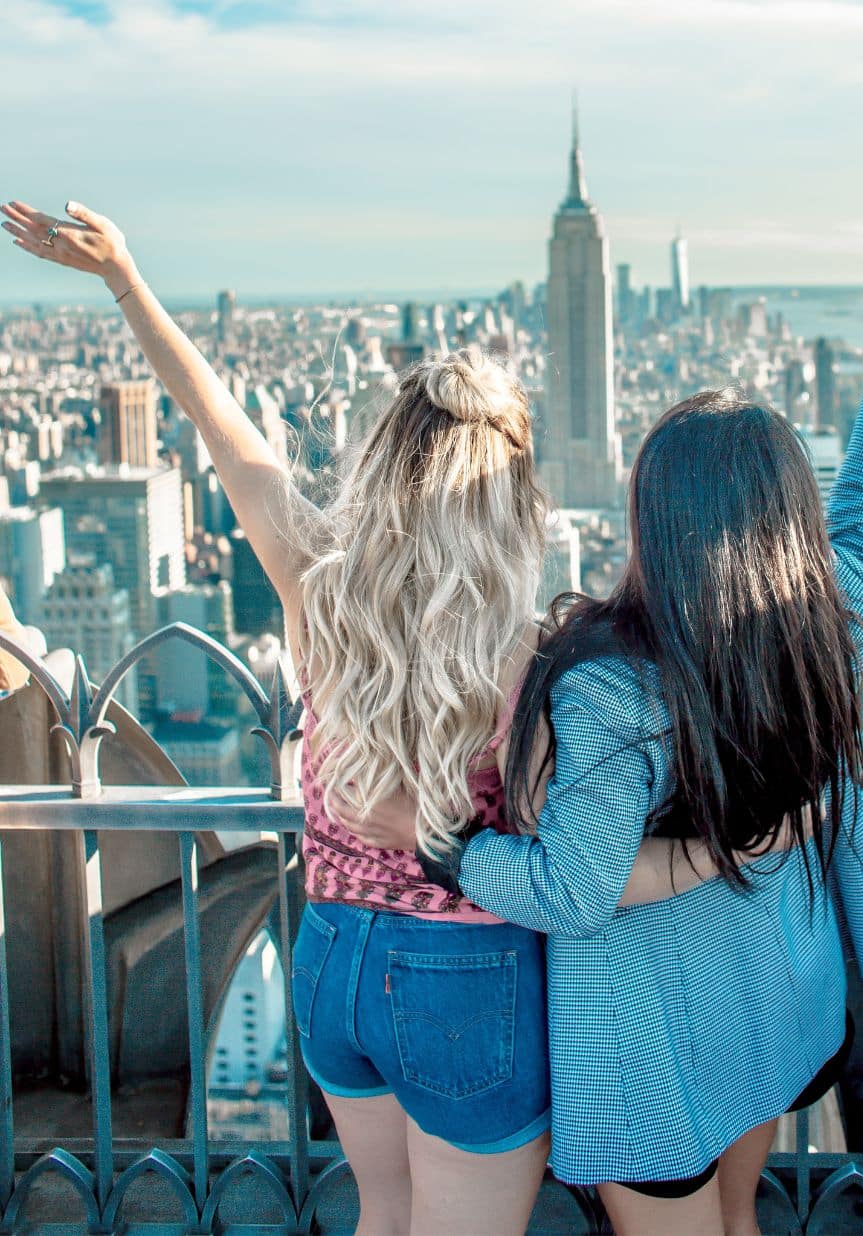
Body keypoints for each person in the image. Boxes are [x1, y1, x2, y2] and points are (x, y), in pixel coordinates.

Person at [0, 195, 706, 1236]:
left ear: (387, 466)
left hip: (330, 956)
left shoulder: (320, 593)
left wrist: (125, 280)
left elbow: (228, 437)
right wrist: (717, 853)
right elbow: (577, 871)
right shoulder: (540, 658)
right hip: (466, 973)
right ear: (507, 491)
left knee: (381, 1213)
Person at [362, 181, 863, 1236]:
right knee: (739, 1218)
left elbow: (572, 892)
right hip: (779, 1008)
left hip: (656, 1049)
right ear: (782, 517)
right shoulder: (834, 621)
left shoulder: (606, 683)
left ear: (650, 519)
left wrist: (442, 850)